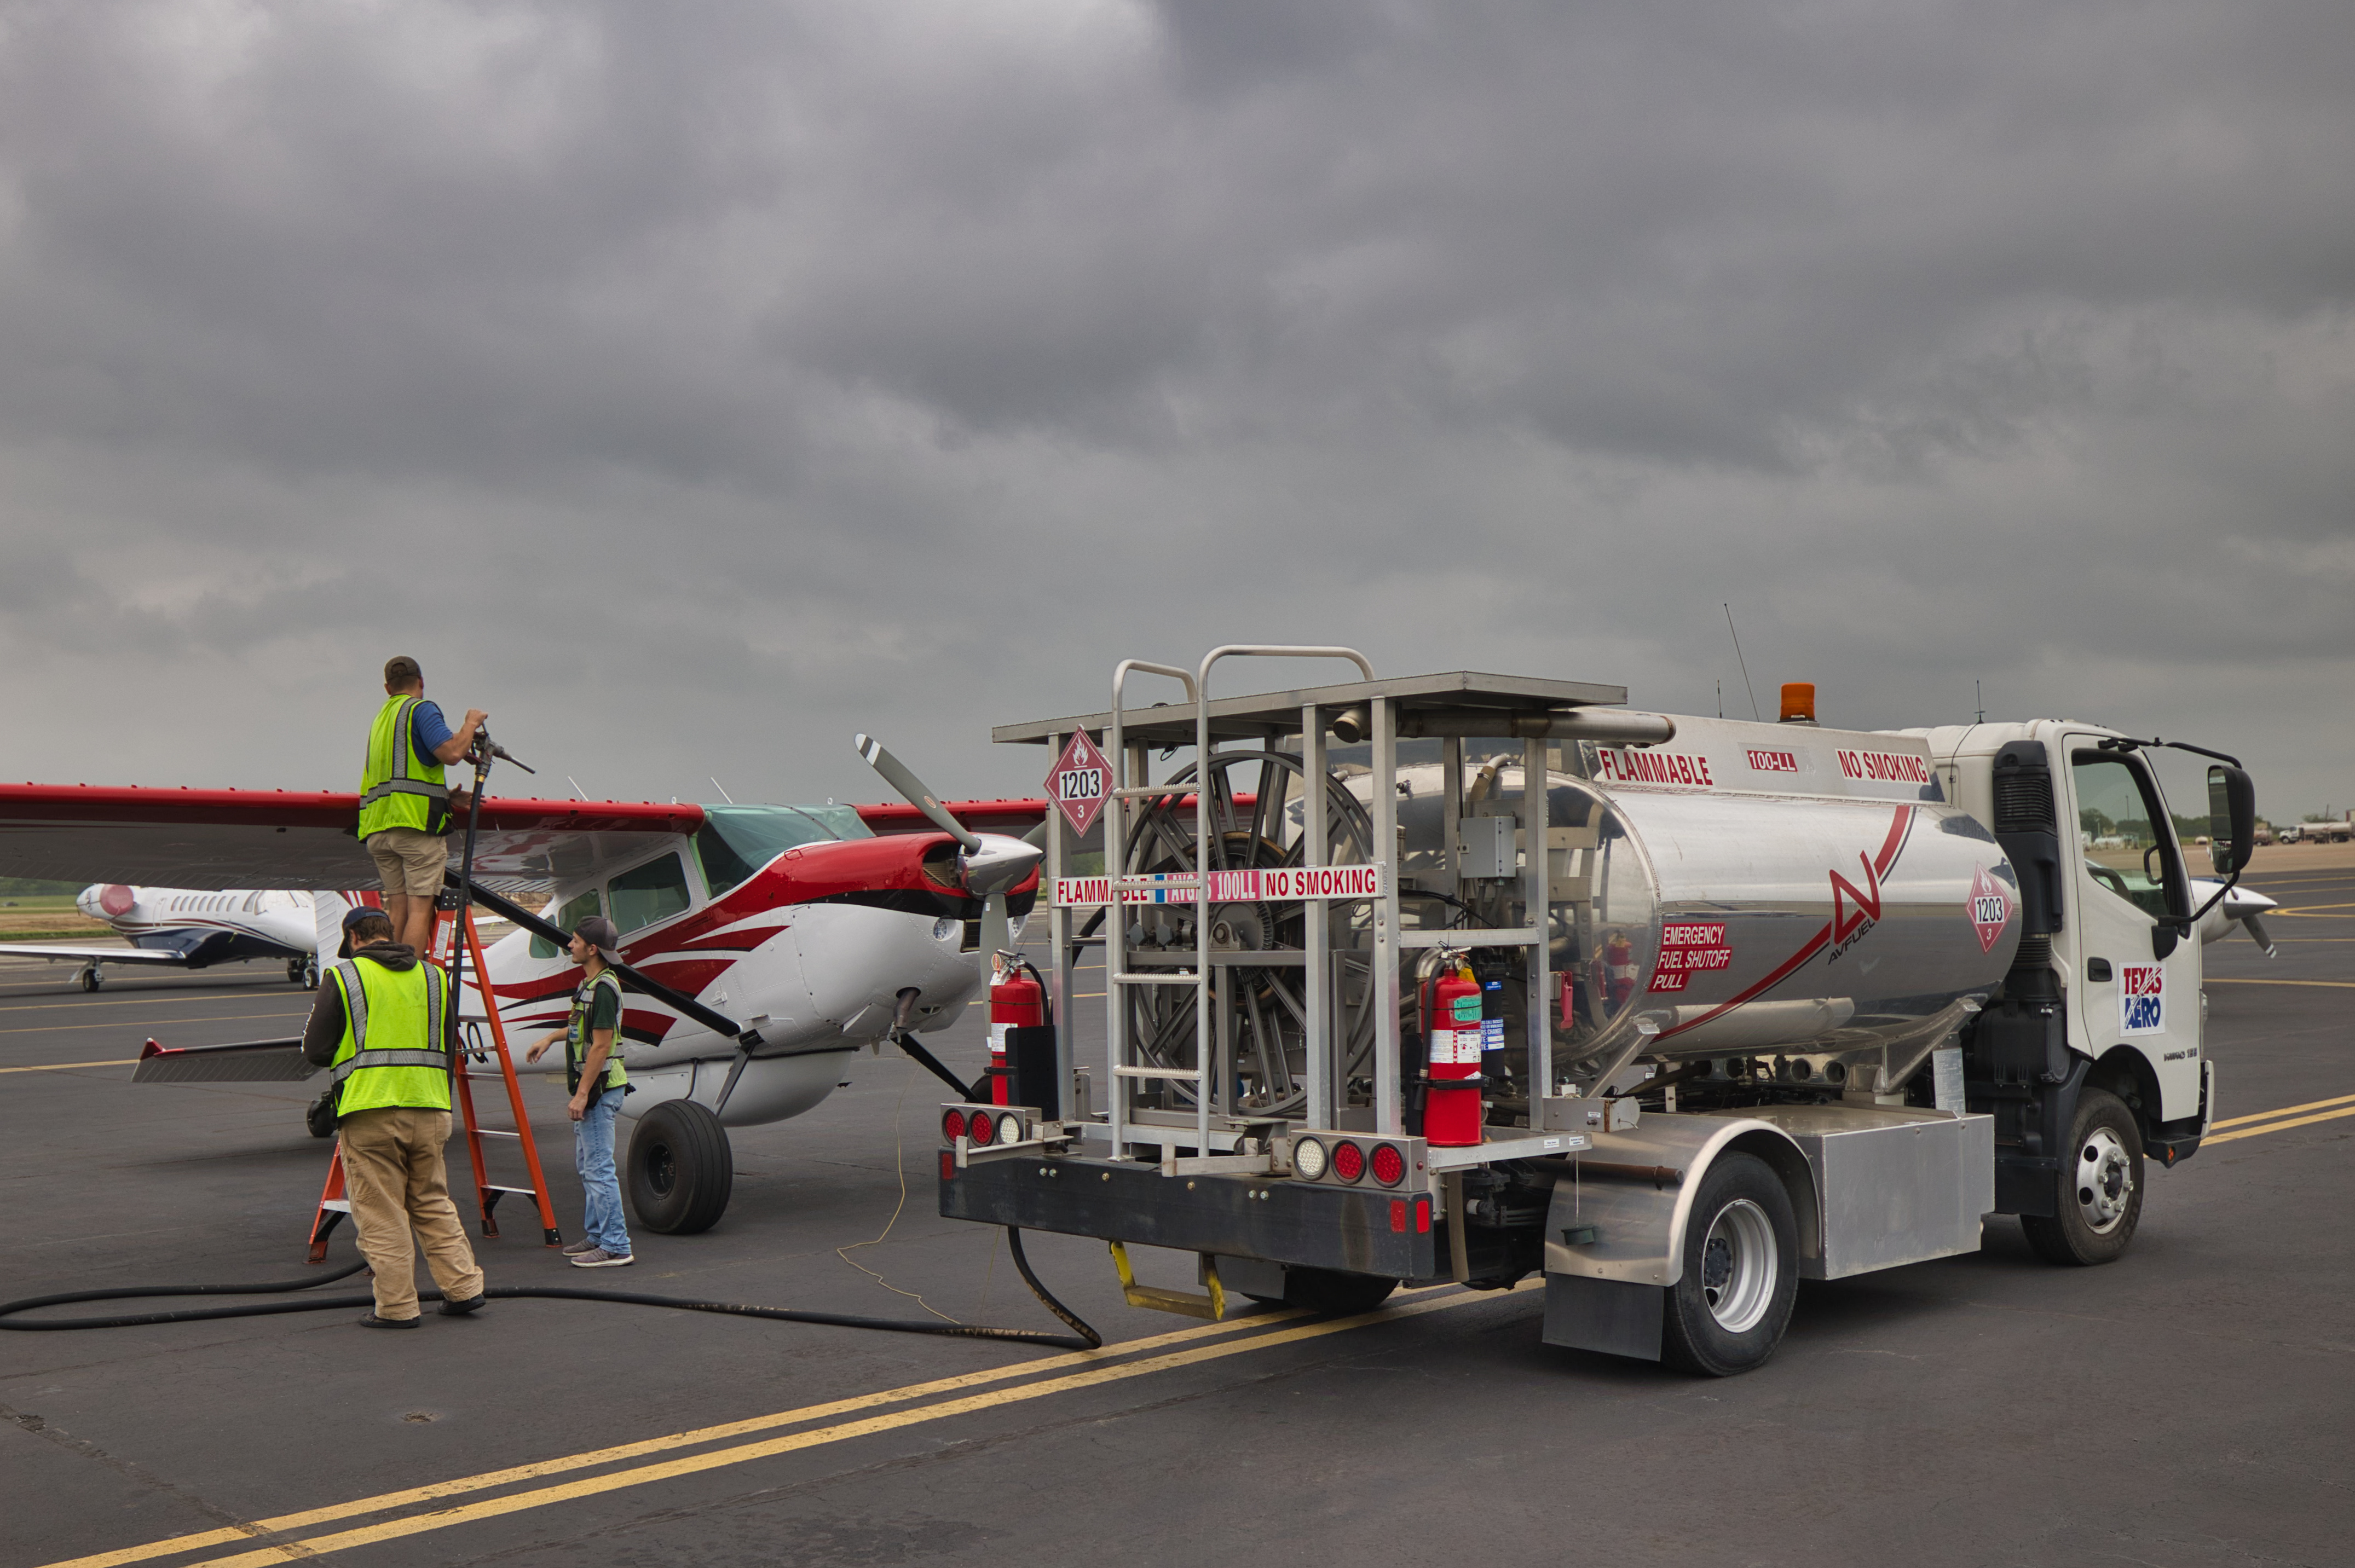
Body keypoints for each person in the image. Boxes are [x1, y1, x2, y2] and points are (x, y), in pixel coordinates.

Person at [301, 905, 486, 1327]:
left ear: (354, 938)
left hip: (371, 1110)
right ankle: (464, 1288)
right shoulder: (434, 977)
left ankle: (398, 1307)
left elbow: (316, 1050)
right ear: (389, 933)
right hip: (431, 1106)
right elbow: (448, 1044)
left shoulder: (345, 976)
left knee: (382, 1213)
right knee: (432, 1202)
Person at [360, 656, 488, 956]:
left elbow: (400, 778)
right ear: (421, 682)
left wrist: (444, 796)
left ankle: (387, 972)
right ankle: (409, 974)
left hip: (379, 829)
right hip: (415, 827)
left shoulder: (382, 720)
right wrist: (470, 724)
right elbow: (452, 753)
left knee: (398, 908)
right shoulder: (421, 710)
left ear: (387, 688)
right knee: (420, 908)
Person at [526, 915, 634, 1268]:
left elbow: (601, 1046)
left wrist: (583, 1094)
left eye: (575, 941)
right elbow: (578, 1028)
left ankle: (616, 1245)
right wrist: (549, 1038)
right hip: (595, 1088)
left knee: (599, 1169)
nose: (569, 945)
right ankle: (599, 1235)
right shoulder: (590, 985)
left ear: (592, 949)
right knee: (588, 1166)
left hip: (600, 1089)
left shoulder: (603, 990)